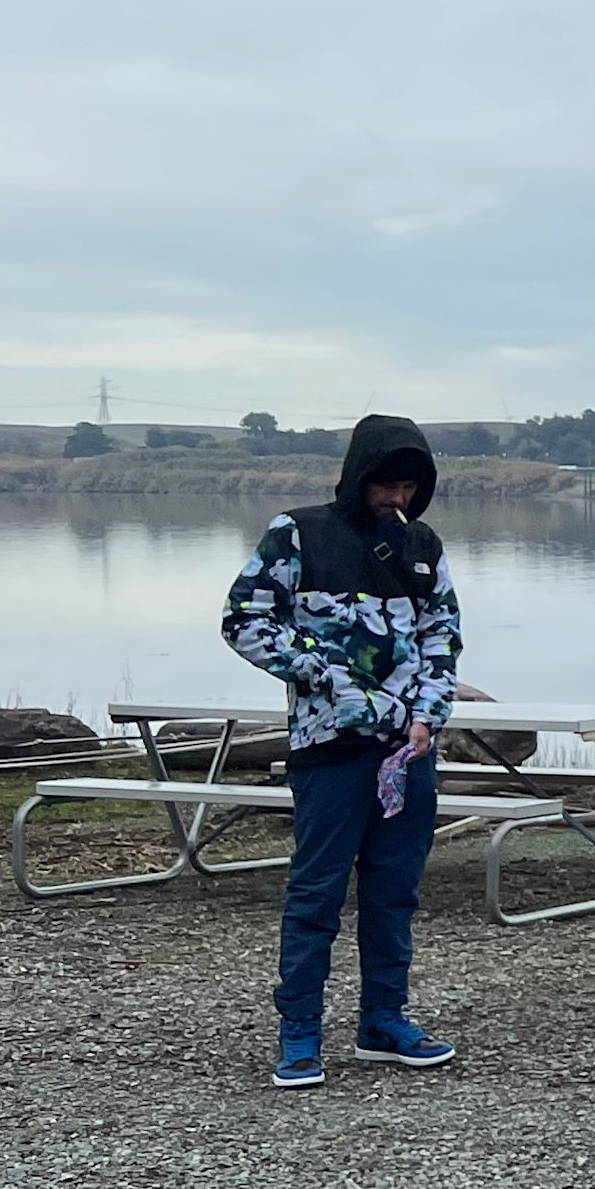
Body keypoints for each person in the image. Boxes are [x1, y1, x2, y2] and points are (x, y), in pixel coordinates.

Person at [222, 416, 463, 1087]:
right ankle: (299, 1032)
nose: (397, 499)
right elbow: (243, 621)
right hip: (328, 751)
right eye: (385, 485)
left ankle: (382, 1021)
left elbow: (443, 638)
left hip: (408, 756)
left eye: (409, 488)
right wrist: (326, 678)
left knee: (395, 894)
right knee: (316, 897)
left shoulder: (423, 546)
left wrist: (427, 718)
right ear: (359, 478)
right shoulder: (297, 534)